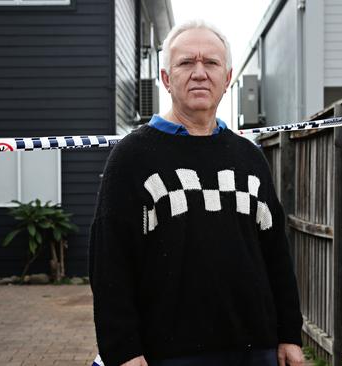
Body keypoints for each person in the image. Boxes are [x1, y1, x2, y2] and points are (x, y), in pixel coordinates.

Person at [89, 20, 304, 366]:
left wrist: (289, 334)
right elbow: (109, 262)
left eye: (211, 63)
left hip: (256, 350)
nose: (200, 73)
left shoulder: (250, 158)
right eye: (186, 62)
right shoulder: (132, 158)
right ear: (166, 78)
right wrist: (123, 351)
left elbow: (276, 254)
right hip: (168, 354)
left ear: (228, 77)